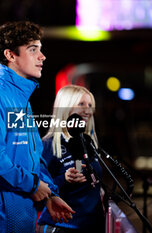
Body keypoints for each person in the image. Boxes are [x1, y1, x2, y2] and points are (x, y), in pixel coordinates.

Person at [0, 21, 75, 233]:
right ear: (10, 55)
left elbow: (33, 157)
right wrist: (33, 186)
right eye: (33, 50)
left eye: (40, 50)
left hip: (21, 219)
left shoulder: (20, 99)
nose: (42, 57)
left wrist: (49, 194)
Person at [36, 85, 105, 233]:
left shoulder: (88, 144)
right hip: (61, 227)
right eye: (81, 104)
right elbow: (36, 188)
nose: (88, 110)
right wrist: (64, 179)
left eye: (90, 105)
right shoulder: (48, 145)